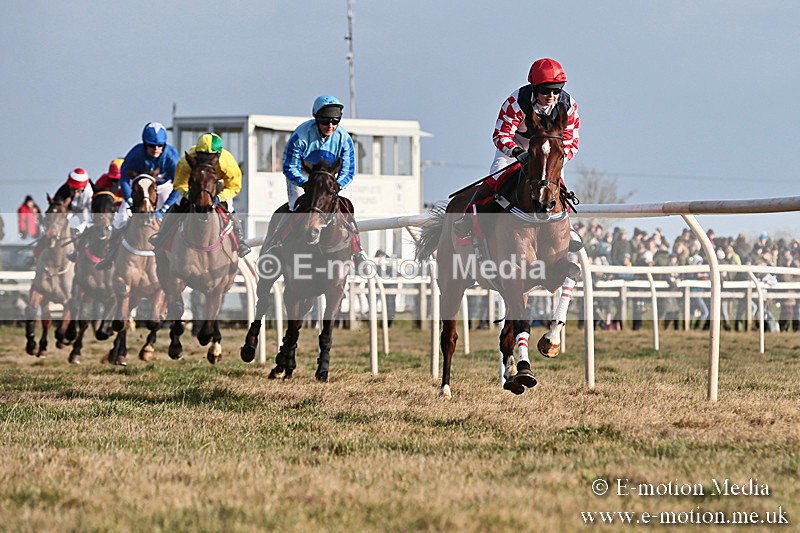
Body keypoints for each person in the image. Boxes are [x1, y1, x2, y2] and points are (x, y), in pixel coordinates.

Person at [454, 57, 580, 238]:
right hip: (516, 144)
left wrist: (555, 158)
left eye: (556, 90)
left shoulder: (569, 106)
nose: (551, 96)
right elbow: (500, 135)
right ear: (535, 88)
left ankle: (569, 230)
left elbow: (571, 141)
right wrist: (517, 152)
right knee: (497, 175)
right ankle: (467, 217)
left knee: (557, 183)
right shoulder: (516, 101)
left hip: (550, 149)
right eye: (545, 90)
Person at [264, 94, 366, 266]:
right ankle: (277, 242)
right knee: (295, 205)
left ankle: (357, 250)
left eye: (335, 122)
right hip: (303, 176)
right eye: (326, 122)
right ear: (317, 119)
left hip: (328, 179)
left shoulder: (344, 139)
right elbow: (290, 166)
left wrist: (338, 185)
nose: (330, 126)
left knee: (345, 206)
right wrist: (305, 184)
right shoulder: (301, 135)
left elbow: (348, 169)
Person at [148, 132, 251, 257]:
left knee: (229, 207)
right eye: (202, 156)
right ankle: (162, 236)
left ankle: (240, 242)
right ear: (197, 152)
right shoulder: (187, 162)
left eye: (210, 157)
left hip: (218, 186)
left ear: (218, 155)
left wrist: (219, 198)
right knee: (178, 203)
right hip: (194, 188)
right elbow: (179, 184)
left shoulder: (227, 164)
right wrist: (188, 195)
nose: (205, 160)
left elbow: (234, 186)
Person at [97, 123, 182, 269]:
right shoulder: (135, 154)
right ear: (144, 144)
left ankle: (178, 256)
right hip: (140, 189)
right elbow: (124, 179)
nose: (156, 149)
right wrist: (130, 201)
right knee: (120, 218)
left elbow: (179, 185)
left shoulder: (172, 157)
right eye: (151, 145)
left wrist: (164, 209)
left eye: (160, 145)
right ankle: (110, 254)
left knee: (175, 220)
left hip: (163, 188)